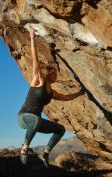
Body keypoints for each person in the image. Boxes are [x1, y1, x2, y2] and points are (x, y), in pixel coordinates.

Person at [18, 28, 84, 167]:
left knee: (60, 129)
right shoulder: (38, 80)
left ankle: (45, 153)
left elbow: (66, 98)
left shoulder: (52, 93)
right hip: (24, 117)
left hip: (36, 121)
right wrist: (31, 36)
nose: (56, 76)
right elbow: (35, 60)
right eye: (54, 73)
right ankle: (24, 149)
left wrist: (82, 92)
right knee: (36, 120)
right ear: (48, 74)